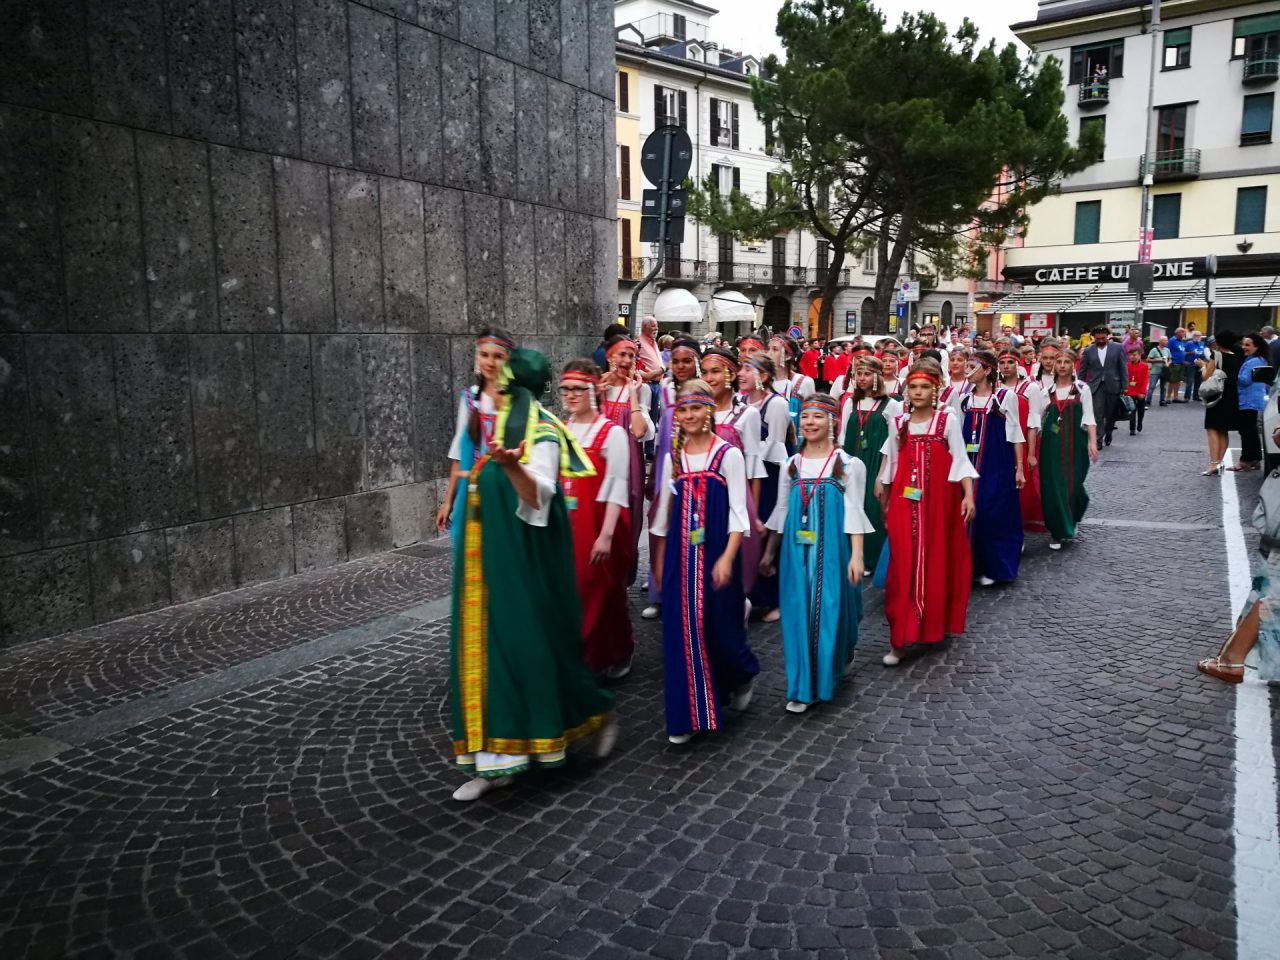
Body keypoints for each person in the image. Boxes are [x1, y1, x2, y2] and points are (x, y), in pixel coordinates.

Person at [447, 337, 616, 802]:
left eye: (503, 383)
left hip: (524, 564)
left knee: (530, 651)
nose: (494, 387)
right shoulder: (492, 421)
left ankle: (592, 712)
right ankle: (493, 762)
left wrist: (510, 467)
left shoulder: (540, 430)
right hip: (484, 562)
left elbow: (539, 499)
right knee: (484, 653)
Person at [650, 379, 760, 744]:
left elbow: (738, 513)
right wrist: (658, 563)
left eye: (696, 408)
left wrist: (727, 558)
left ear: (709, 411)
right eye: (683, 410)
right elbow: (663, 517)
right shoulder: (674, 457)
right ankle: (688, 715)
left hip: (716, 554)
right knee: (681, 632)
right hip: (680, 556)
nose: (689, 415)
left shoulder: (727, 455)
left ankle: (741, 674)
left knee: (720, 627)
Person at [760, 394, 872, 712]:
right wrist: (769, 552)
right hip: (795, 552)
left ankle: (831, 664)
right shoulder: (791, 465)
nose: (809, 422)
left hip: (833, 551)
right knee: (797, 613)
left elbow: (855, 512)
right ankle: (803, 686)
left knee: (832, 608)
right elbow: (782, 511)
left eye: (818, 416)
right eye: (806, 416)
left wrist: (857, 556)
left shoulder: (849, 465)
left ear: (832, 422)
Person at [875, 359, 977, 665]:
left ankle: (933, 621)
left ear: (935, 391)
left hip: (940, 504)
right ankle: (899, 638)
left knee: (937, 559)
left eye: (924, 387)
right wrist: (883, 491)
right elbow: (892, 462)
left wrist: (968, 495)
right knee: (901, 565)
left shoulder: (947, 421)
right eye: (913, 387)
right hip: (904, 503)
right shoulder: (897, 423)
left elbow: (960, 459)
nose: (918, 392)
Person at [559, 361, 636, 679]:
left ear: (593, 390)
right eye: (566, 389)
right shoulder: (562, 429)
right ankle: (586, 657)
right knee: (574, 590)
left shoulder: (611, 433)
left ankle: (611, 653)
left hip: (603, 523)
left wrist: (605, 535)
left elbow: (617, 484)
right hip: (570, 523)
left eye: (578, 389)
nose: (571, 395)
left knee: (602, 591)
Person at [643, 338, 702, 620]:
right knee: (662, 527)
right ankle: (659, 591)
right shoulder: (666, 389)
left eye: (686, 361)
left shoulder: (704, 393)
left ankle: (689, 593)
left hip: (695, 469)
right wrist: (654, 472)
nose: (680, 367)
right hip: (666, 468)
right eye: (676, 361)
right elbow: (659, 435)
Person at [702, 347, 767, 599]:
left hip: (735, 498)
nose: (709, 378)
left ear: (730, 374)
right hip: (702, 496)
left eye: (715, 372)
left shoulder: (746, 414)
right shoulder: (696, 411)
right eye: (705, 372)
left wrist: (754, 514)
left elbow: (754, 466)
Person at [962, 351, 1025, 586]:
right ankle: (972, 567)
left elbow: (1015, 433)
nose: (967, 371)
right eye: (967, 366)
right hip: (969, 462)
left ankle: (996, 566)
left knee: (992, 512)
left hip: (996, 461)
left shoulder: (1005, 397)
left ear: (987, 370)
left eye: (972, 367)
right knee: (970, 513)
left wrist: (1019, 468)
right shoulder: (964, 399)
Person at [438, 330, 506, 545]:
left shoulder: (517, 400)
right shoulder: (469, 399)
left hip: (506, 493)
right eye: (485, 355)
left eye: (497, 356)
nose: (490, 362)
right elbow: (459, 454)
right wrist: (448, 502)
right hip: (475, 493)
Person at [740, 354, 792, 621]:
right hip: (745, 474)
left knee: (769, 530)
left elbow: (776, 445)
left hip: (770, 475)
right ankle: (750, 592)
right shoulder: (741, 401)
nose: (740, 374)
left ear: (763, 376)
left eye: (747, 369)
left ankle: (774, 598)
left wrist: (746, 451)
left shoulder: (776, 404)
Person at [600, 334, 656, 581]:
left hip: (629, 464)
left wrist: (633, 394)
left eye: (631, 356)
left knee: (628, 515)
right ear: (609, 357)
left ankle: (622, 578)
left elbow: (641, 431)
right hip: (601, 463)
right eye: (621, 354)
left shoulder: (641, 389)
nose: (626, 360)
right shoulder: (596, 387)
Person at [839, 355, 901, 576]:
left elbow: (893, 441)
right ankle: (851, 555)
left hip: (875, 462)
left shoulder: (891, 405)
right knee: (851, 505)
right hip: (852, 459)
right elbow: (842, 435)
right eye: (859, 373)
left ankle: (872, 558)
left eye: (867, 374)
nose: (862, 378)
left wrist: (883, 474)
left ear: (877, 376)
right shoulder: (850, 402)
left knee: (873, 507)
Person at [1040, 348, 1098, 549]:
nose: (1062, 366)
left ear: (1073, 364)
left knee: (1074, 485)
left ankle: (1072, 517)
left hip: (1076, 442)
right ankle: (1057, 531)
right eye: (1059, 362)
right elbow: (1037, 421)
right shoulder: (1046, 392)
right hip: (1051, 444)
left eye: (1066, 362)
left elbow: (1089, 417)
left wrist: (1092, 442)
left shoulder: (1082, 389)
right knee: (1053, 486)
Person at [998, 349, 1046, 534]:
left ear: (1017, 364)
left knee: (1023, 486)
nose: (1006, 366)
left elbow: (1033, 422)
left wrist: (1031, 453)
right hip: (1000, 442)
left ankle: (1019, 525)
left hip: (1023, 442)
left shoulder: (1029, 388)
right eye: (1002, 363)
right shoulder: (995, 387)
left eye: (1010, 362)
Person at [1197, 330, 1242, 476]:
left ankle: (1213, 463)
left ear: (1218, 342)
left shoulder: (1215, 356)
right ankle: (1219, 462)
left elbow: (1206, 376)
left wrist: (1202, 366)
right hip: (1232, 396)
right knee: (1223, 430)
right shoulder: (1237, 357)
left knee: (1212, 428)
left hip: (1217, 396)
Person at [1079, 326, 1126, 447]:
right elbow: (1082, 370)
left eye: (1103, 338)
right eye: (1097, 338)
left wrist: (1124, 385)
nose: (1100, 340)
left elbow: (1123, 367)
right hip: (1095, 386)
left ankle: (1108, 432)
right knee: (1097, 413)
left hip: (1113, 384)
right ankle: (1098, 439)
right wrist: (1079, 385)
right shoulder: (1088, 350)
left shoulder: (1118, 347)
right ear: (1093, 338)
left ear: (1108, 336)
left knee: (1110, 414)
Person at [1234, 332, 1267, 472]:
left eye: (1247, 345)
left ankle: (1245, 461)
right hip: (1254, 398)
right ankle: (1255, 458)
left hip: (1247, 399)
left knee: (1246, 431)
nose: (1244, 347)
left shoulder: (1252, 361)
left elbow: (1244, 380)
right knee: (1251, 430)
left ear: (1256, 347)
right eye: (1243, 344)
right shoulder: (1260, 359)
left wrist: (1233, 373)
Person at [1125, 346, 1149, 436]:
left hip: (1140, 391)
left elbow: (1145, 379)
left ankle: (1139, 422)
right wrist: (1125, 388)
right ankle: (1132, 428)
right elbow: (1125, 378)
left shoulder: (1144, 366)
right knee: (1132, 410)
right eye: (1130, 355)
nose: (1132, 357)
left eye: (1134, 355)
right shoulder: (1126, 365)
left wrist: (1143, 392)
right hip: (1130, 391)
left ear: (1139, 355)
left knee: (1141, 410)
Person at [1146, 336, 1171, 406]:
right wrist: (1158, 360)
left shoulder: (1167, 350)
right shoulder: (1154, 350)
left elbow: (1170, 359)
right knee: (1152, 386)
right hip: (1155, 371)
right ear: (1160, 341)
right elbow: (1148, 359)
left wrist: (1168, 363)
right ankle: (1148, 401)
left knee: (1163, 387)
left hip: (1164, 371)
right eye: (1164, 340)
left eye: (1167, 340)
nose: (1166, 342)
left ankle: (1162, 401)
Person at [1165, 327, 1187, 404]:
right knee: (1172, 381)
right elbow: (1167, 350)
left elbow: (1181, 351)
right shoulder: (1172, 340)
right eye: (1182, 332)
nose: (1184, 334)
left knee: (1178, 381)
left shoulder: (1181, 341)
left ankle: (1175, 397)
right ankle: (1168, 397)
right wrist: (1169, 361)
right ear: (1177, 333)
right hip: (1174, 363)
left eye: (1184, 332)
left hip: (1181, 364)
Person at [1183, 331, 1204, 401]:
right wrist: (1189, 353)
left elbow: (1203, 353)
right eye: (1196, 335)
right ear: (1193, 336)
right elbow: (1182, 353)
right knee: (1190, 381)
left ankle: (1196, 396)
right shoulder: (1188, 343)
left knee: (1198, 381)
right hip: (1191, 364)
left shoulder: (1202, 344)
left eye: (1199, 336)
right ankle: (1187, 397)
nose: (1198, 337)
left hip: (1199, 365)